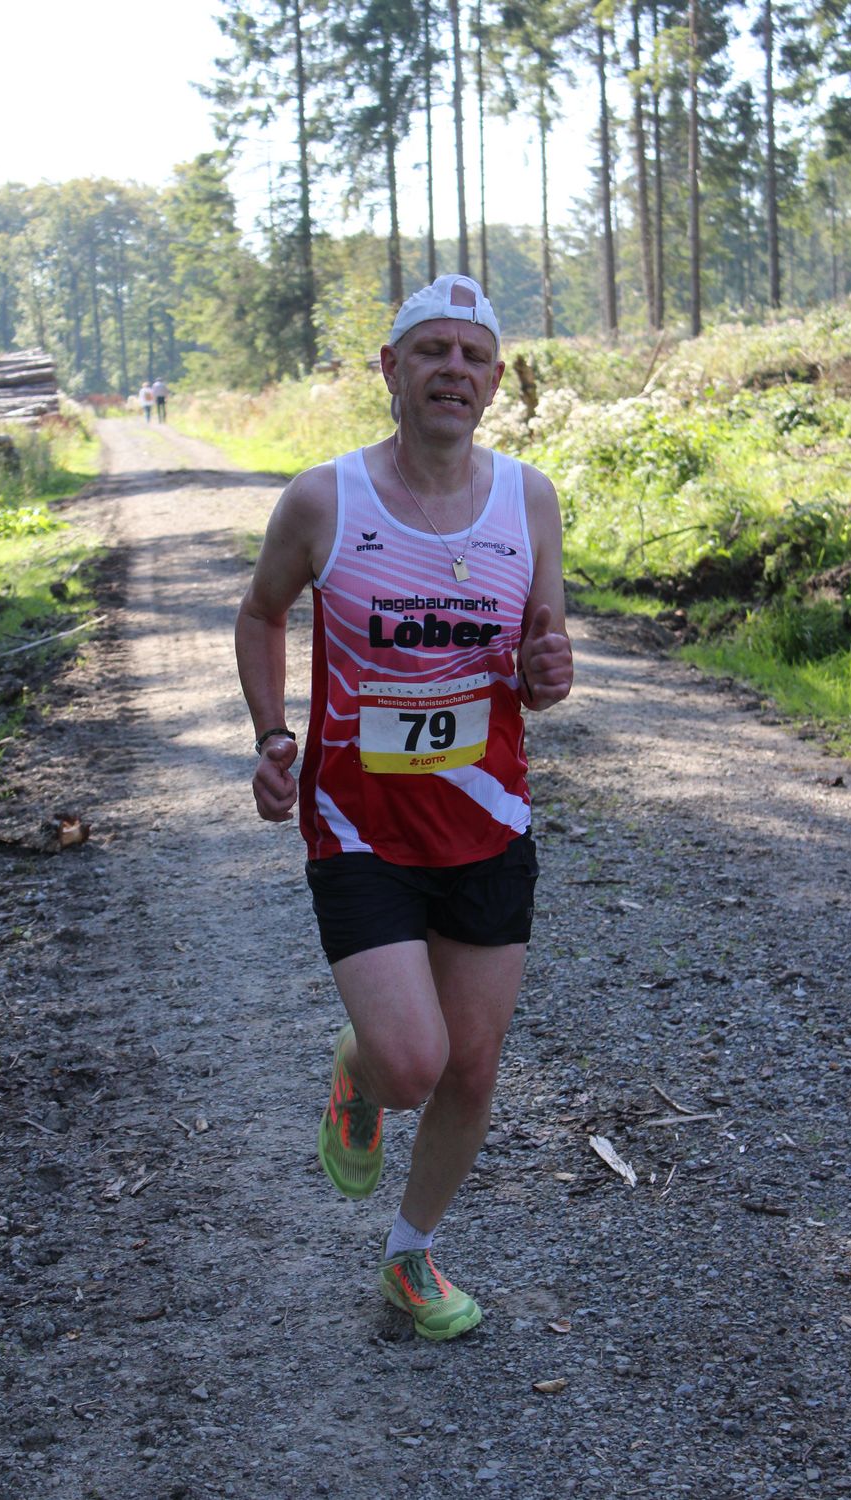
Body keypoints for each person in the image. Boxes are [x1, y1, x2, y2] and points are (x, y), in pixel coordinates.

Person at [235, 274, 573, 1341]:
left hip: (488, 822)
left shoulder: (530, 500)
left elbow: (541, 660)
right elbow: (261, 613)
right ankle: (361, 1067)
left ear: (497, 381)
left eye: (473, 357)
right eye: (432, 351)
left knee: (471, 1067)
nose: (452, 372)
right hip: (358, 829)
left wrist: (549, 674)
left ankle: (410, 1253)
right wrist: (273, 736)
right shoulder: (324, 500)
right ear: (391, 367)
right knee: (413, 1064)